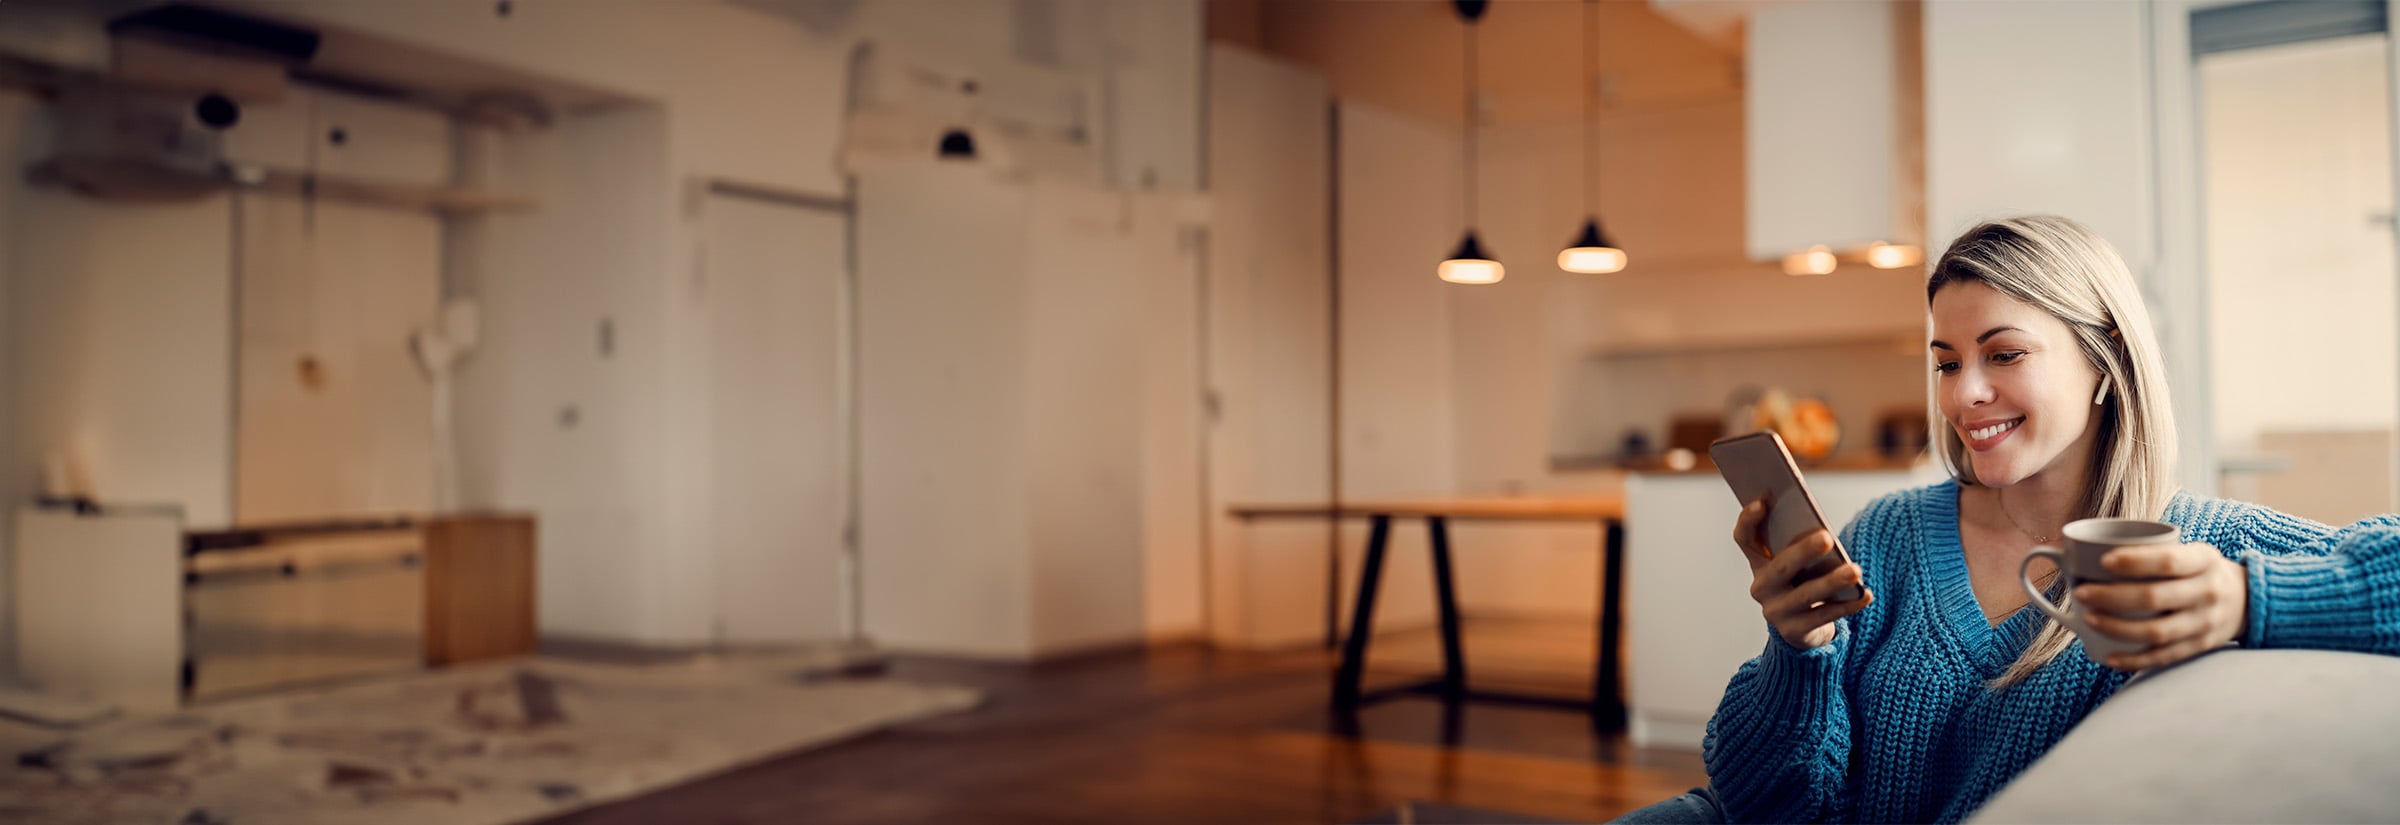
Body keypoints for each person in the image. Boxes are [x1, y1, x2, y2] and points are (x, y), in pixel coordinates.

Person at [1614, 215, 2400, 824]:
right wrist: (1799, 652)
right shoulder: (1888, 534)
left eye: (2005, 353)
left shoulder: (2199, 548)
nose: (1963, 396)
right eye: (1948, 361)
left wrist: (2246, 598)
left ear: (2105, 361)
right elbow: (1765, 804)